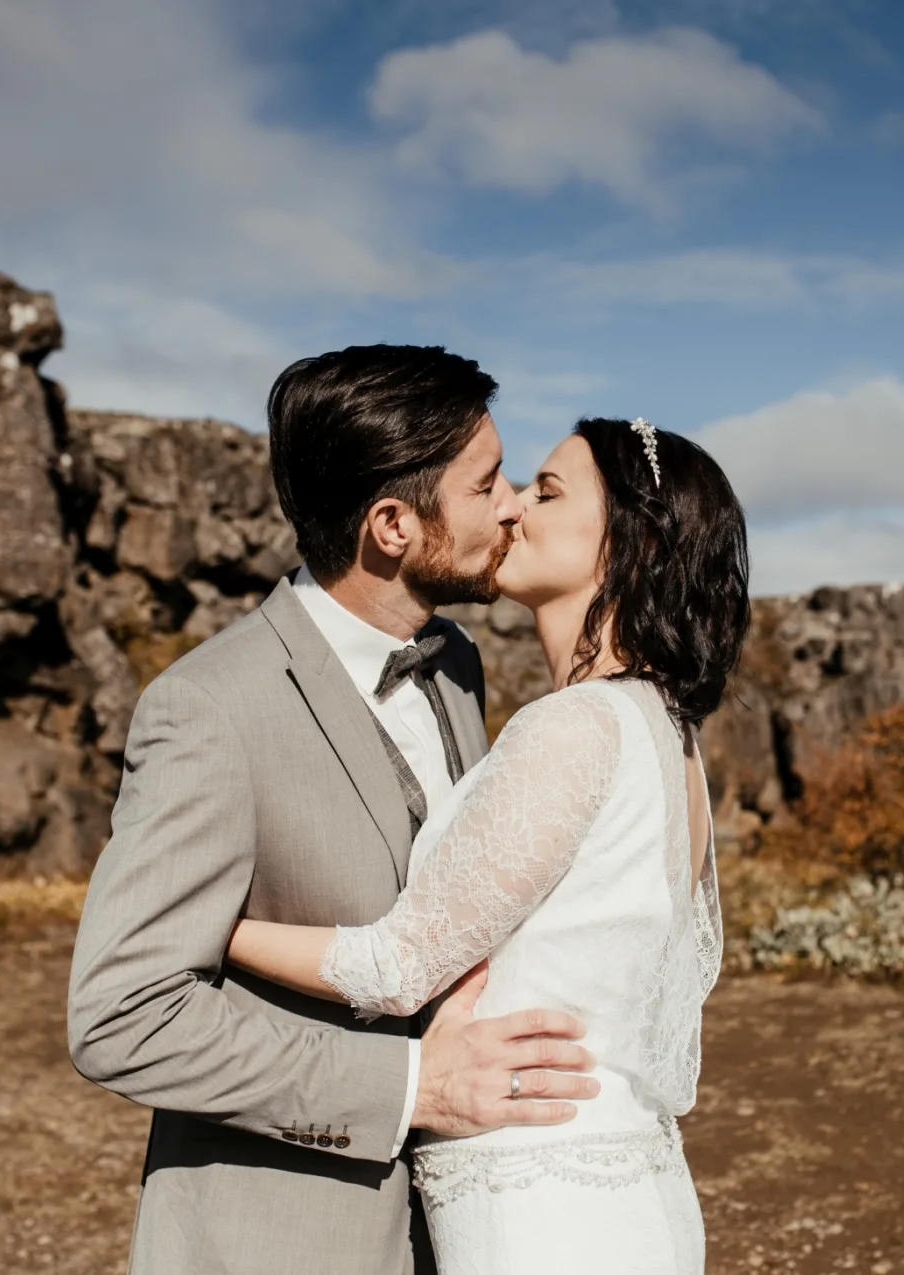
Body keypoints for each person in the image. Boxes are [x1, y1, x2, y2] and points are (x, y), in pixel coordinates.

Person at [68, 345, 600, 1275]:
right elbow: (120, 1013)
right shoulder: (209, 710)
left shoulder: (459, 664)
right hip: (278, 1241)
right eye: (486, 487)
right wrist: (405, 1085)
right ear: (392, 525)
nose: (514, 504)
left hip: (471, 1228)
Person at [224, 415, 751, 1274]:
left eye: (545, 491)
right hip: (627, 1181)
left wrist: (214, 925)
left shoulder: (577, 724)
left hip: (540, 1205)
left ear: (630, 545)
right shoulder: (670, 733)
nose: (510, 508)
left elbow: (397, 968)